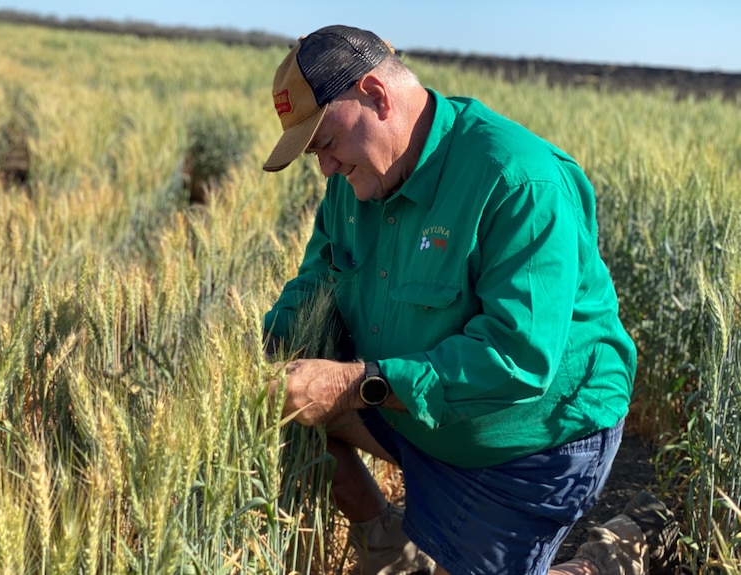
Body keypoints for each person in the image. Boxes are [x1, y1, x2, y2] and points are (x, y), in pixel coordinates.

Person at [262, 25, 678, 575]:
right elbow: (315, 286)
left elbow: (518, 357)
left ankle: (621, 549)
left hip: (531, 443)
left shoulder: (518, 181)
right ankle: (393, 551)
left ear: (376, 95)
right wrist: (259, 356)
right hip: (414, 414)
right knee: (288, 413)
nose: (325, 168)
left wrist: (353, 383)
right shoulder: (352, 186)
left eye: (327, 143)